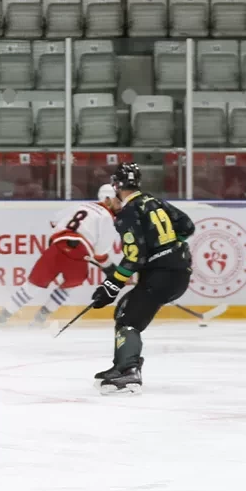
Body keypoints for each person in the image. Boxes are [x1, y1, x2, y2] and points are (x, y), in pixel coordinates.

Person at [90, 163, 194, 395]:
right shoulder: (155, 202)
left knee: (128, 319)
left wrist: (111, 285)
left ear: (116, 185)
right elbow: (187, 227)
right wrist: (168, 246)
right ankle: (122, 366)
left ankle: (128, 371)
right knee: (126, 311)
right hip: (178, 272)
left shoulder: (128, 212)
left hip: (161, 275)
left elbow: (135, 255)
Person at [0, 184, 121, 328]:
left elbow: (54, 221)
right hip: (78, 255)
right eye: (117, 202)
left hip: (56, 248)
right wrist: (111, 271)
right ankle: (39, 320)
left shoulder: (80, 205)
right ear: (106, 200)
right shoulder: (107, 218)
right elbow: (100, 254)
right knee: (68, 286)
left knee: (32, 286)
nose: (120, 206)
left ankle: (1, 317)